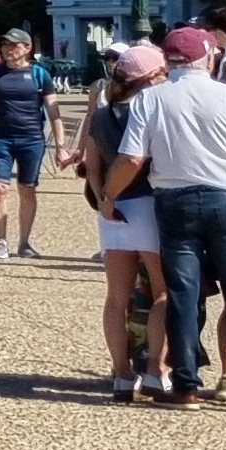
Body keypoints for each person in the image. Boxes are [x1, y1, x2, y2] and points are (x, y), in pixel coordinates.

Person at [103, 24, 226, 410]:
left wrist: (109, 195)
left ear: (168, 60)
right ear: (210, 58)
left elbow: (132, 158)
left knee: (183, 295)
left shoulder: (151, 100)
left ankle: (186, 386)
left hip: (175, 201)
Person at [79, 44, 168, 399]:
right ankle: (155, 370)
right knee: (163, 292)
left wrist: (103, 198)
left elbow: (92, 161)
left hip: (113, 211)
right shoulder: (151, 110)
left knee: (116, 298)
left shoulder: (101, 115)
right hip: (148, 202)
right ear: (149, 78)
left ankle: (119, 371)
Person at [0, 29, 51, 259]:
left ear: (27, 48)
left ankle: (24, 242)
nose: (8, 49)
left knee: (27, 189)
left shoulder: (39, 74)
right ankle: (1, 240)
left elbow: (52, 108)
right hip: (1, 138)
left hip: (31, 138)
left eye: (13, 45)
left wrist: (62, 143)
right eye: (5, 45)